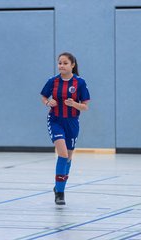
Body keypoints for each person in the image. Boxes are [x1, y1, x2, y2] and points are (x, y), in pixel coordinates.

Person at [40, 52, 90, 205]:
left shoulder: (80, 83)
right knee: (62, 154)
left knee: (68, 158)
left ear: (72, 65)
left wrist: (74, 104)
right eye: (59, 63)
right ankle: (60, 194)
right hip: (55, 120)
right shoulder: (52, 81)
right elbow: (43, 96)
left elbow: (85, 107)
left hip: (72, 122)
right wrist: (48, 103)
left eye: (65, 63)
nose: (61, 65)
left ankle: (58, 186)